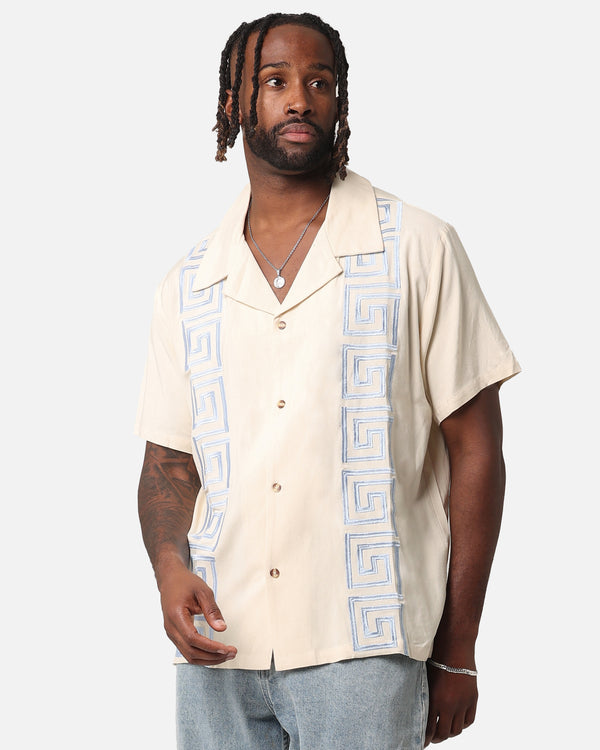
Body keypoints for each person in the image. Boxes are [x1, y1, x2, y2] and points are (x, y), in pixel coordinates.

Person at [135, 12, 520, 750]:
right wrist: (168, 572)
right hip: (219, 645)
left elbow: (476, 451)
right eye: (275, 81)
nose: (300, 99)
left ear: (340, 100)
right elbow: (168, 464)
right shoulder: (187, 284)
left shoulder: (418, 247)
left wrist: (458, 649)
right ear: (233, 103)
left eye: (320, 82)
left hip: (365, 646)